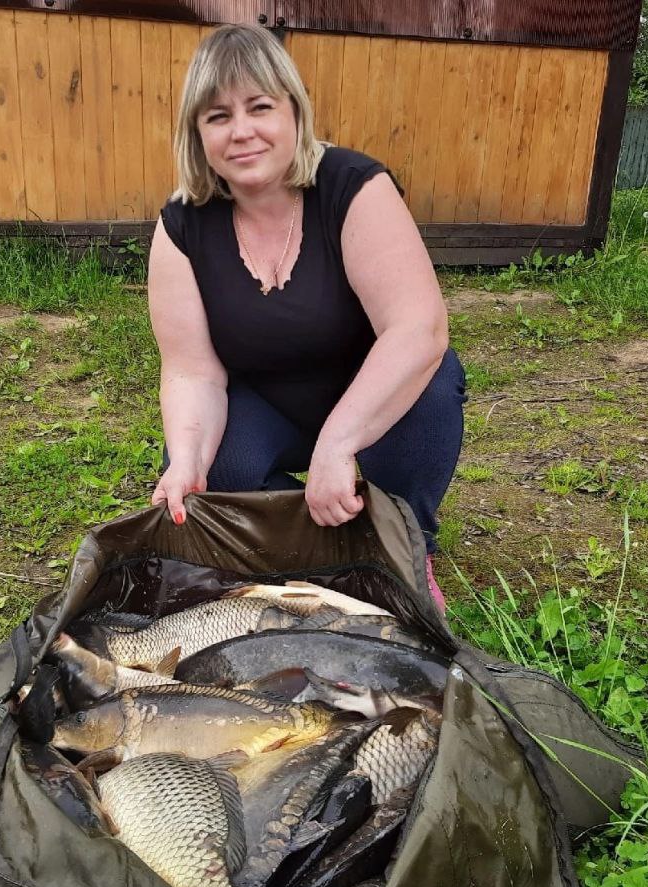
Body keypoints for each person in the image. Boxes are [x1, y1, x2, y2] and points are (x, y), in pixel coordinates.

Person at [146, 23, 466, 607]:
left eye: (259, 107)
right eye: (218, 116)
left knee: (432, 384)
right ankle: (317, 549)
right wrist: (187, 459)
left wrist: (340, 444)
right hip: (265, 402)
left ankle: (403, 544)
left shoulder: (354, 187)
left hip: (372, 396)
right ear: (198, 133)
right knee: (214, 478)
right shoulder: (182, 225)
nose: (241, 132)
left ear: (295, 111)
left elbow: (418, 329)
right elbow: (193, 372)